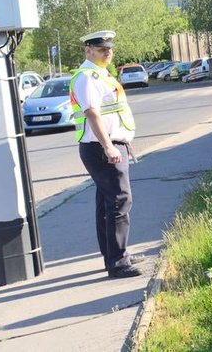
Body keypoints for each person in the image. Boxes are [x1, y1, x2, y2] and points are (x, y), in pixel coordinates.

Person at [69, 30, 142, 278]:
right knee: (120, 201)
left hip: (105, 146)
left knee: (107, 203)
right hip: (102, 148)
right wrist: (109, 146)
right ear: (88, 50)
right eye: (102, 49)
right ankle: (118, 262)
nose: (107, 52)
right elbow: (92, 114)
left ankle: (113, 256)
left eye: (109, 49)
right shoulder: (87, 77)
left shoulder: (101, 74)